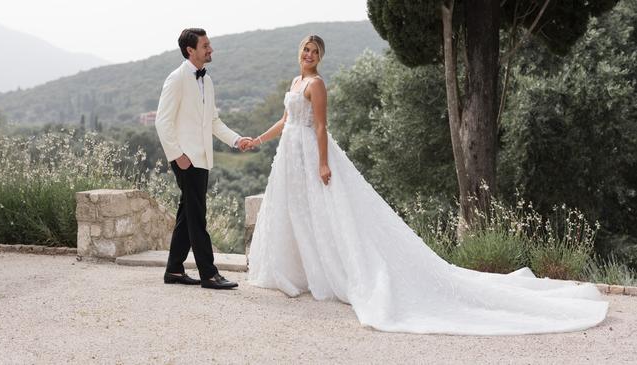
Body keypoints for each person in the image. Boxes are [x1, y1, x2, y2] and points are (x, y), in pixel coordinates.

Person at [246, 35, 608, 335]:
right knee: (298, 209)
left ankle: (333, 272)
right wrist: (260, 139)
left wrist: (324, 162)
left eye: (315, 52)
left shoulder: (317, 84)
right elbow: (286, 119)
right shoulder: (295, 83)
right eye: (306, 50)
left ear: (320, 57)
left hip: (309, 152)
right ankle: (302, 270)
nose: (309, 55)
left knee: (325, 210)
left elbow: (321, 127)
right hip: (289, 154)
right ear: (300, 52)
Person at [155, 28, 252, 290]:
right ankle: (209, 274)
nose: (210, 50)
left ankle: (174, 270)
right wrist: (178, 156)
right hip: (186, 160)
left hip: (203, 159)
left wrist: (236, 139)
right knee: (197, 217)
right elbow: (162, 122)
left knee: (188, 215)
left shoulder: (206, 81)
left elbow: (213, 121)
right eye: (206, 46)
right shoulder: (176, 79)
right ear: (191, 50)